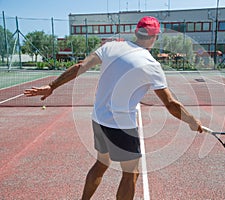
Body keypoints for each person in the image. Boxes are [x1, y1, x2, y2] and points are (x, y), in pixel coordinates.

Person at [24, 16, 203, 200]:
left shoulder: (111, 46)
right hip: (122, 126)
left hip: (99, 119)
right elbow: (171, 104)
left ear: (135, 32)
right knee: (131, 173)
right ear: (155, 37)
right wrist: (191, 120)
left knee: (101, 164)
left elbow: (80, 66)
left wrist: (52, 86)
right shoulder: (151, 65)